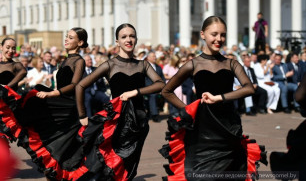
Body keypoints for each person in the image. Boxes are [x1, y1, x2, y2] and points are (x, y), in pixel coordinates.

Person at [159, 16, 266, 180]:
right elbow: (166, 91)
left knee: (231, 172)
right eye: (214, 34)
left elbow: (249, 88)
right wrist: (187, 111)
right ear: (203, 34)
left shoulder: (231, 63)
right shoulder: (193, 64)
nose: (219, 39)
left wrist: (219, 98)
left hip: (228, 126)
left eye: (222, 35)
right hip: (202, 127)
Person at [75, 23, 165, 180]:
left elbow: (160, 84)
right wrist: (82, 115)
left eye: (132, 36)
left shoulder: (143, 64)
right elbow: (80, 85)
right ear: (117, 41)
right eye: (124, 37)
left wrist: (135, 92)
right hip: (117, 122)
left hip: (139, 121)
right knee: (114, 163)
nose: (128, 40)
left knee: (131, 166)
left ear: (136, 39)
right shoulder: (110, 65)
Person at [3, 28, 89, 181]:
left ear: (80, 42)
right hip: (61, 104)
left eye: (70, 37)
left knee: (61, 151)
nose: (66, 39)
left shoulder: (79, 61)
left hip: (69, 109)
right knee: (35, 96)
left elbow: (75, 85)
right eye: (66, 36)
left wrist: (52, 94)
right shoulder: (65, 60)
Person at [145, 51, 165, 122]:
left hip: (158, 87)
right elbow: (144, 79)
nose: (155, 58)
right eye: (153, 56)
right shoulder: (145, 66)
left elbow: (162, 78)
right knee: (153, 96)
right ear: (148, 58)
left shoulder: (158, 67)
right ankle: (154, 115)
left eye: (155, 56)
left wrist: (163, 87)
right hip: (148, 88)